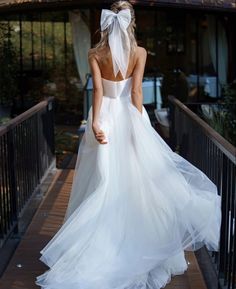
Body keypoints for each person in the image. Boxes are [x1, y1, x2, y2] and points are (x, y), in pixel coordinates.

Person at [35, 1, 222, 288]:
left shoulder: (95, 53)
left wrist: (96, 122)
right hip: (129, 115)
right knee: (136, 181)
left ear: (106, 23)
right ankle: (135, 240)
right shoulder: (140, 52)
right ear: (130, 23)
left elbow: (98, 90)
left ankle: (97, 244)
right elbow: (135, 92)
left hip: (106, 116)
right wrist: (140, 125)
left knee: (102, 180)